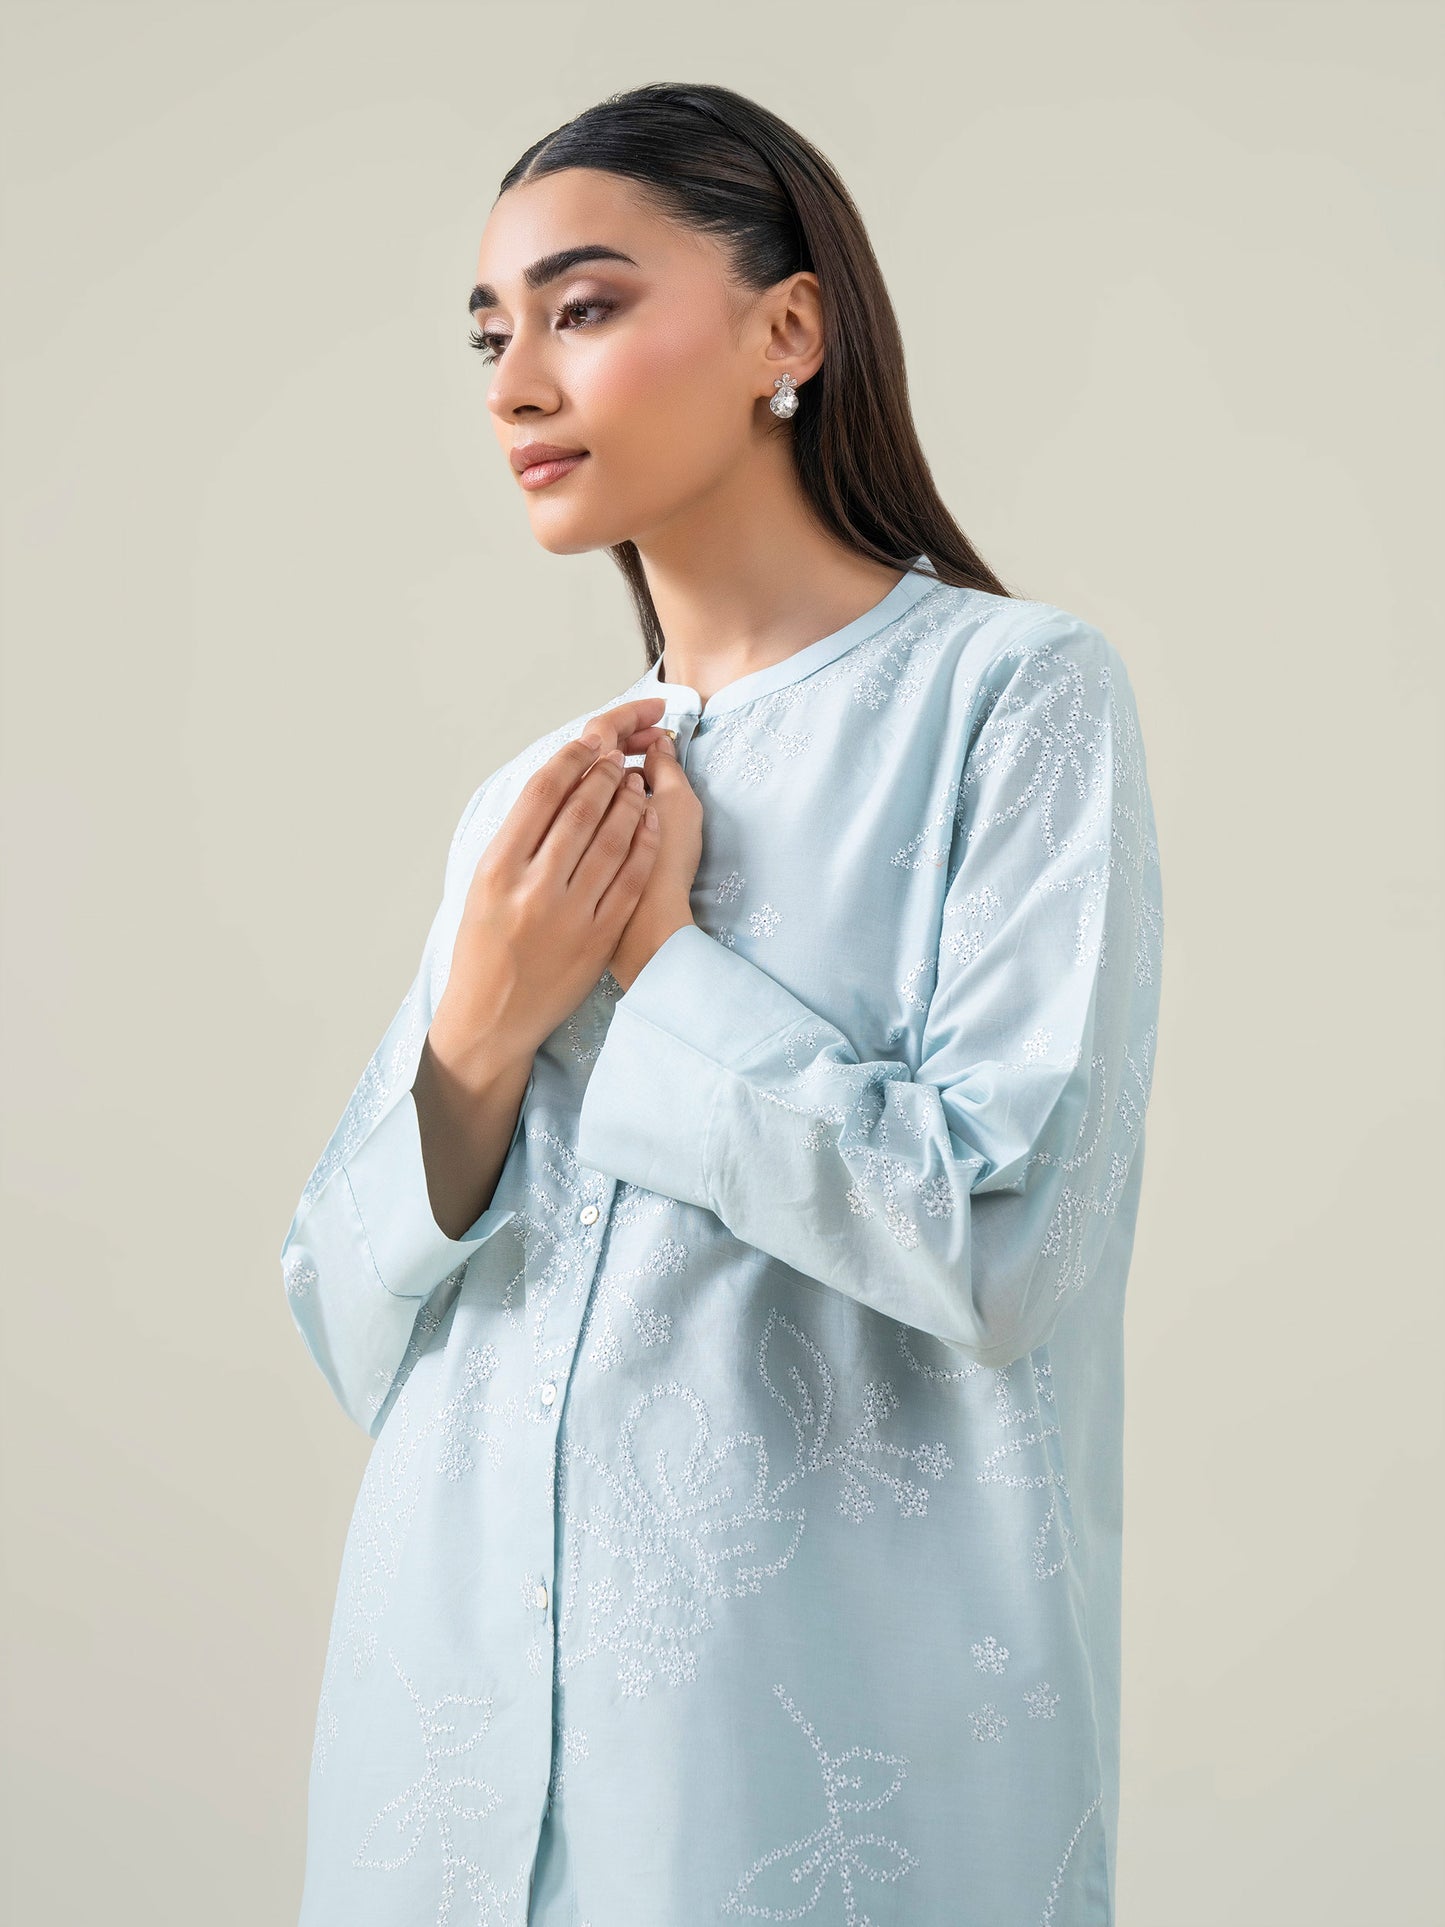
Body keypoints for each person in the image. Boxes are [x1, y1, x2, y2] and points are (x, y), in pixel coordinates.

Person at [280, 80, 1164, 1927]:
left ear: (789, 330)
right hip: (441, 1763)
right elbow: (351, 1325)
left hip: (796, 1783)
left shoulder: (1008, 699)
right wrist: (480, 1033)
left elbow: (1000, 1246)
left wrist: (663, 971)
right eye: (492, 336)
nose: (518, 384)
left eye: (584, 308)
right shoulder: (529, 804)